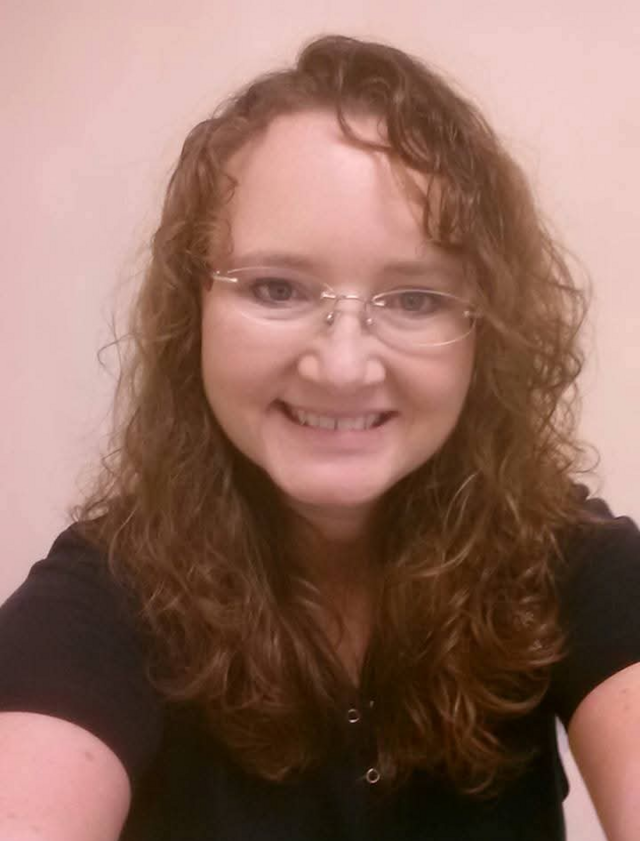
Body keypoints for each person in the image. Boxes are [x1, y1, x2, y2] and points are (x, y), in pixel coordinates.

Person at [0, 34, 639, 841]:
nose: (341, 366)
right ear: (193, 311)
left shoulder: (570, 562)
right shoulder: (102, 598)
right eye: (276, 287)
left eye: (415, 298)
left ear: (488, 331)